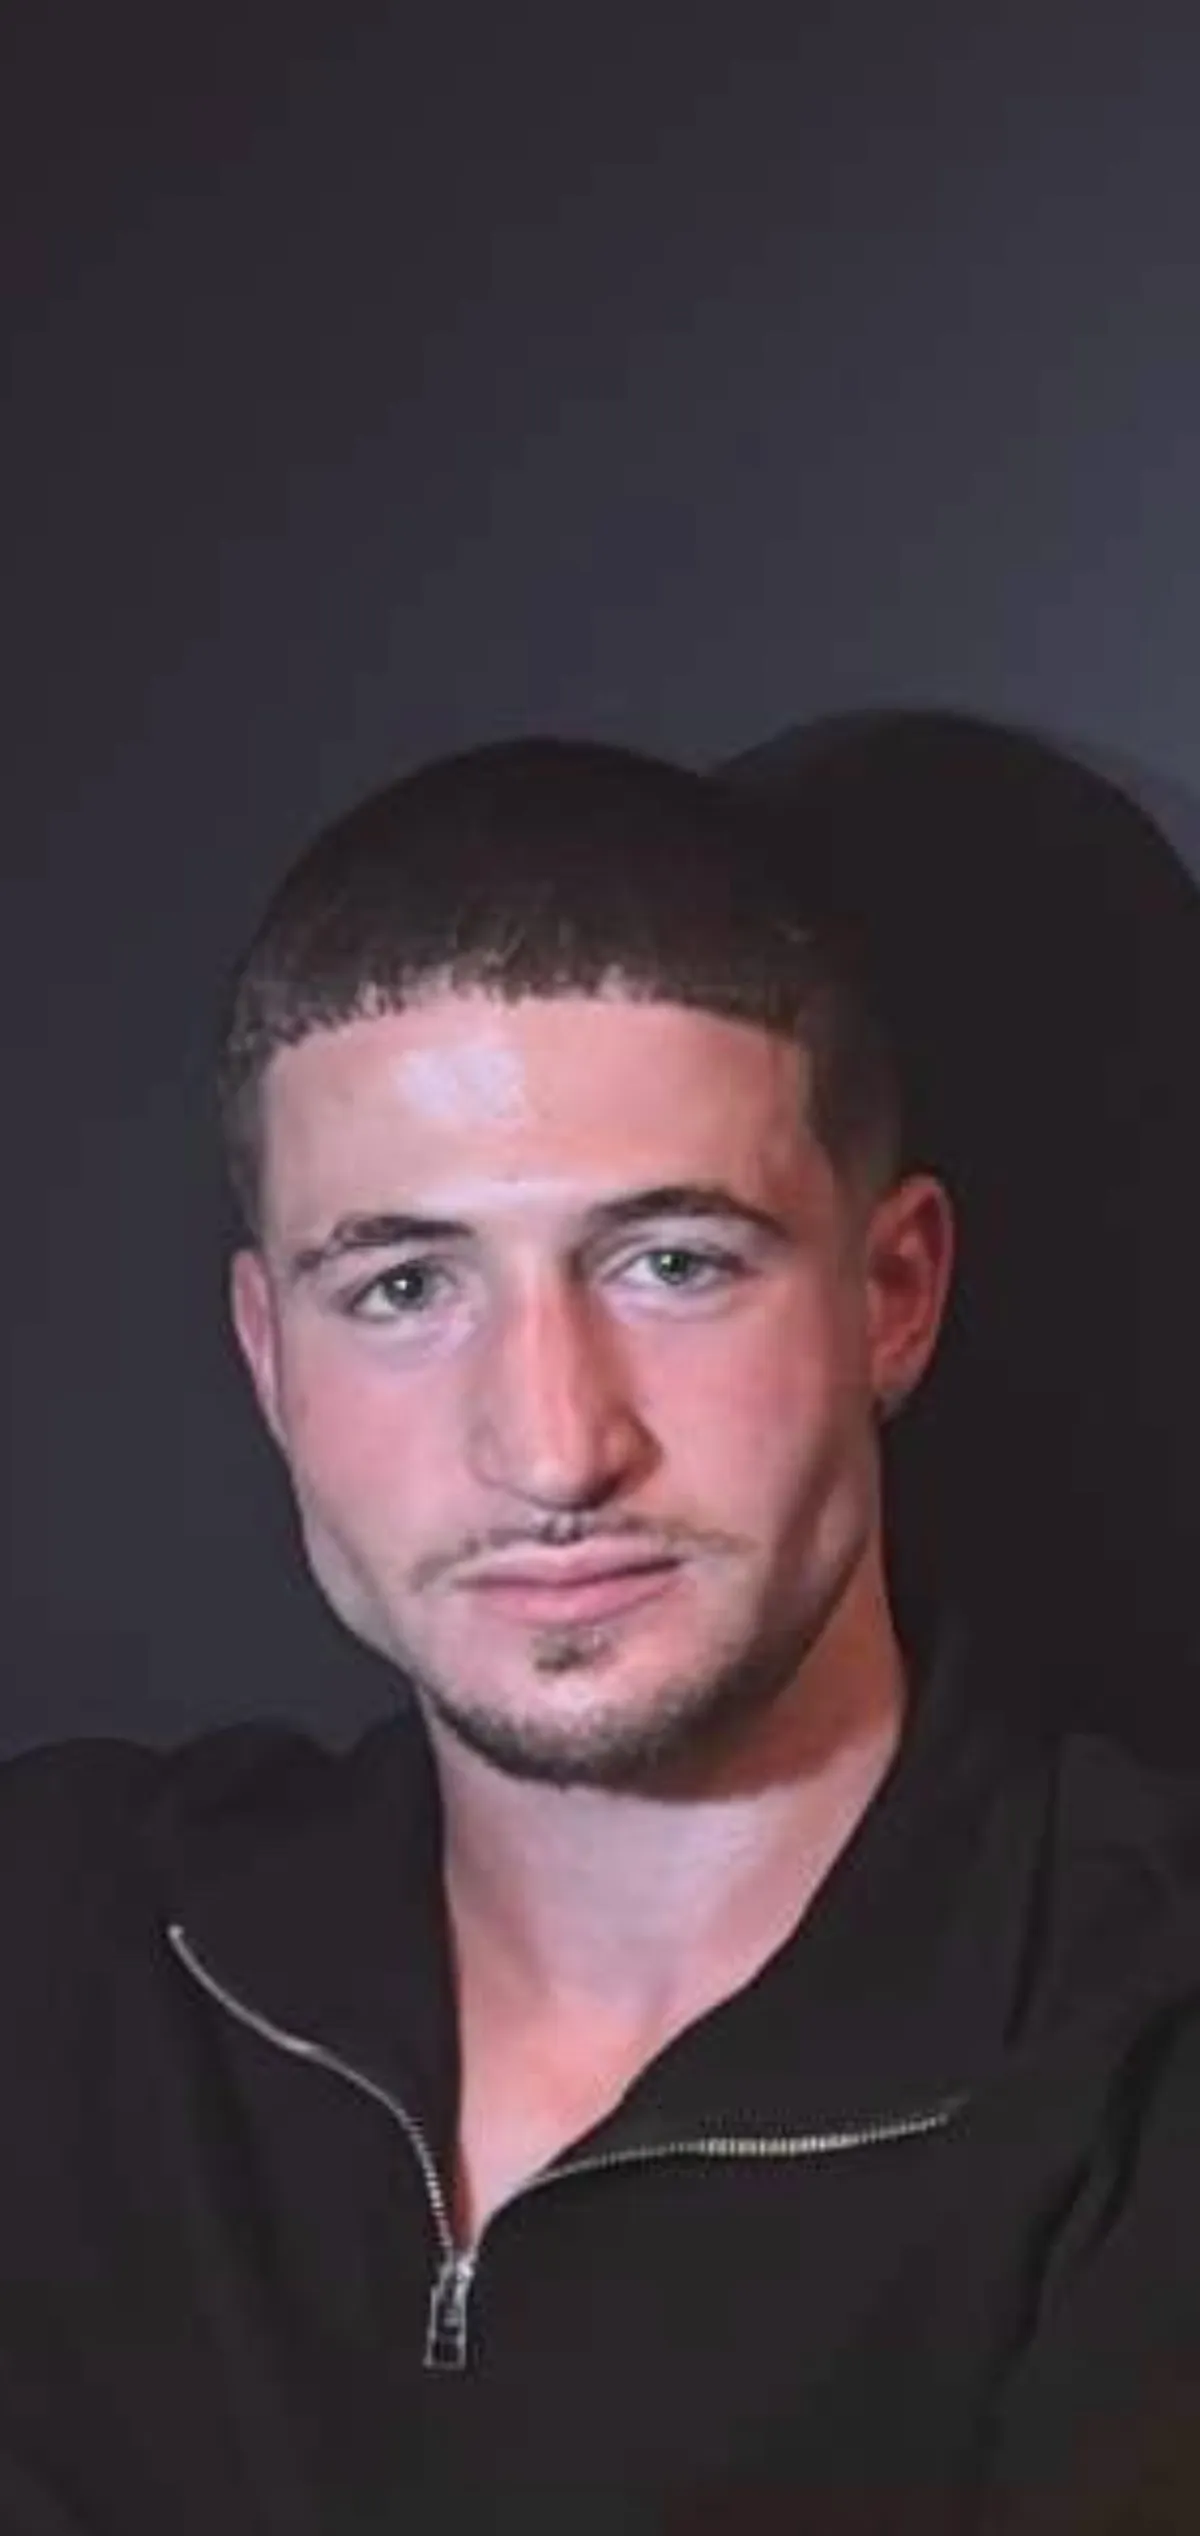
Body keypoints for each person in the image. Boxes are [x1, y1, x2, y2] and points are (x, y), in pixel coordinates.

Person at [2, 736, 1200, 2536]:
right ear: (268, 1356)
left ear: (893, 1297)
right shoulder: (64, 1952)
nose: (556, 1446)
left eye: (672, 1263)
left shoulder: (1148, 2066)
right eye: (405, 1286)